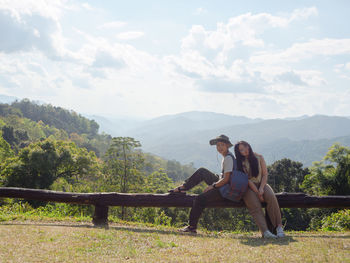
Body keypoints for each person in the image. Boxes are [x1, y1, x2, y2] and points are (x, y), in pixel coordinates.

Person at [169, 134, 234, 234]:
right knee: (202, 171)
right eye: (218, 145)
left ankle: (191, 227)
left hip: (225, 188)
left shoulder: (228, 158)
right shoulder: (226, 157)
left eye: (222, 145)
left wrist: (212, 186)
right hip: (221, 183)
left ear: (227, 146)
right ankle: (183, 187)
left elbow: (226, 179)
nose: (219, 147)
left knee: (199, 199)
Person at [235, 140, 285, 238]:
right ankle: (265, 231)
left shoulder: (259, 157)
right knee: (255, 206)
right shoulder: (241, 162)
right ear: (239, 152)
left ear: (248, 146)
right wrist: (258, 193)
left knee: (271, 197)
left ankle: (279, 227)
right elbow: (248, 180)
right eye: (241, 149)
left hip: (262, 183)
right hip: (249, 187)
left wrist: (261, 188)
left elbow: (265, 174)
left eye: (245, 146)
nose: (244, 150)